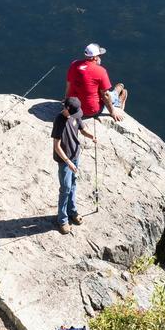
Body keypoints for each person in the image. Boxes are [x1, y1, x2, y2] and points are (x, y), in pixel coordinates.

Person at [52, 97, 96, 234]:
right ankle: (62, 219)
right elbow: (56, 146)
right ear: (66, 109)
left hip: (75, 155)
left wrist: (91, 136)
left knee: (73, 184)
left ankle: (72, 211)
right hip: (65, 161)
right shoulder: (59, 120)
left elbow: (82, 129)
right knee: (65, 188)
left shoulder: (75, 115)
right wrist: (68, 162)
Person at [65, 43, 124, 122]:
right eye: (100, 55)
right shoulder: (100, 71)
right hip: (89, 111)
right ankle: (118, 95)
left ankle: (118, 91)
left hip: (72, 108)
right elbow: (106, 95)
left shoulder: (74, 65)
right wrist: (112, 112)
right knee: (111, 95)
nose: (100, 57)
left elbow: (68, 85)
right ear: (95, 57)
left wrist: (66, 103)